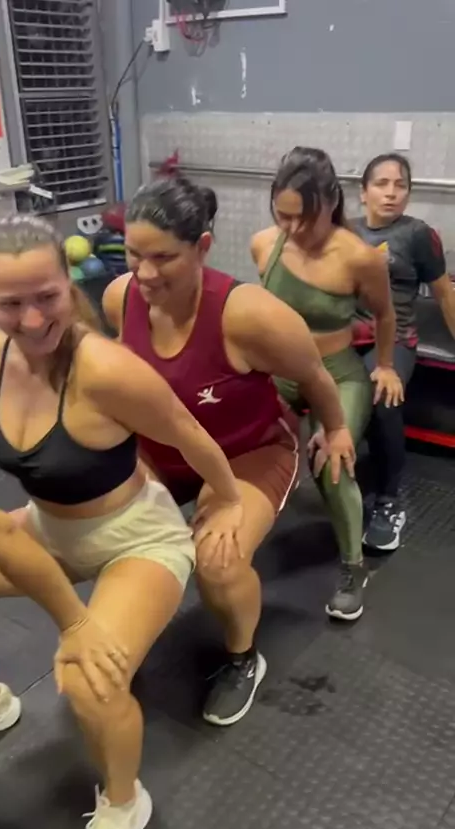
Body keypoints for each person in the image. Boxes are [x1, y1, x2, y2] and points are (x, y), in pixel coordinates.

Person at [0, 214, 254, 829]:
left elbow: (189, 432)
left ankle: (124, 804)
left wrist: (231, 500)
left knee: (88, 681)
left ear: (67, 283)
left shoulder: (106, 369)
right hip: (47, 528)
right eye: (9, 304)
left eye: (46, 296)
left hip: (136, 539)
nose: (32, 320)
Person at [103, 175, 355, 728]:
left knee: (217, 561)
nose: (145, 273)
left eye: (163, 258)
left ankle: (243, 659)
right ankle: (123, 636)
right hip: (163, 451)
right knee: (110, 530)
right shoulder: (120, 296)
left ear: (203, 247)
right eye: (134, 254)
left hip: (250, 450)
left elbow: (315, 375)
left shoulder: (250, 314)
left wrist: (336, 430)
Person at [251, 146, 402, 622]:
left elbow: (384, 315)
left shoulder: (359, 258)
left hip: (336, 373)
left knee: (330, 464)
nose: (293, 228)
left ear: (332, 202)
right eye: (283, 215)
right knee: (237, 439)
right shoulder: (264, 244)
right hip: (279, 370)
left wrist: (385, 365)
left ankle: (354, 569)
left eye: (306, 217)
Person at [351, 152, 455, 550]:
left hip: (395, 338)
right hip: (348, 336)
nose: (391, 193)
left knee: (383, 399)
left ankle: (389, 500)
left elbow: (444, 294)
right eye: (382, 184)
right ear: (363, 192)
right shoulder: (345, 232)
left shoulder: (418, 235)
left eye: (401, 185)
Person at [0, 496, 131, 733]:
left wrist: (75, 623)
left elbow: (4, 537)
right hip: (58, 515)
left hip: (126, 526)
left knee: (88, 684)